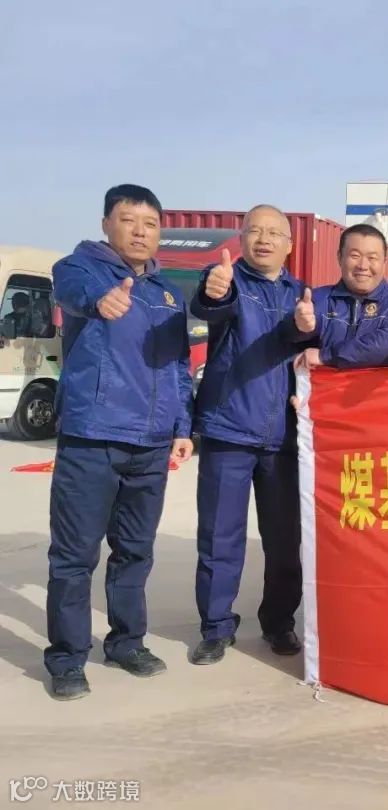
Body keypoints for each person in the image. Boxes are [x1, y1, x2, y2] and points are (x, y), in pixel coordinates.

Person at [46, 184, 194, 700]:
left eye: (150, 224)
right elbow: (71, 291)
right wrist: (99, 301)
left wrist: (182, 427)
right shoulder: (80, 269)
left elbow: (178, 366)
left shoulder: (167, 293)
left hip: (150, 445)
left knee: (134, 552)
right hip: (93, 436)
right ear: (107, 223)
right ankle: (67, 659)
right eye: (129, 220)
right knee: (74, 556)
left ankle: (127, 643)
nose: (139, 232)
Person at [189, 205, 306, 665]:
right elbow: (209, 303)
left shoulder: (303, 295)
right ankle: (216, 628)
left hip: (284, 439)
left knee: (284, 542)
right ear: (241, 238)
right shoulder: (229, 281)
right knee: (220, 538)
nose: (264, 239)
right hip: (229, 432)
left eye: (275, 232)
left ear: (290, 245)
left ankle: (279, 622)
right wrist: (213, 289)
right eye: (255, 231)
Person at [292, 224, 388, 370]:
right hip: (324, 386)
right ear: (340, 258)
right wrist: (298, 326)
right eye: (355, 256)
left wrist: (325, 356)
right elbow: (288, 338)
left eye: (372, 258)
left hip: (384, 386)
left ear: (384, 263)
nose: (363, 265)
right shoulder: (317, 299)